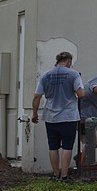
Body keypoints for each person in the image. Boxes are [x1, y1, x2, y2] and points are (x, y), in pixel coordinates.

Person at [31, 51, 85, 183]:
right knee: (67, 146)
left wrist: (34, 113)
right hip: (68, 116)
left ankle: (55, 174)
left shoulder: (45, 76)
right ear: (68, 62)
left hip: (50, 117)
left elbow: (37, 96)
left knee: (53, 146)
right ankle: (64, 176)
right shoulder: (73, 74)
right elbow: (81, 94)